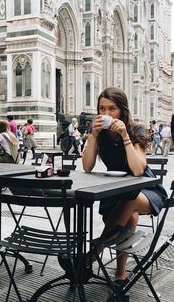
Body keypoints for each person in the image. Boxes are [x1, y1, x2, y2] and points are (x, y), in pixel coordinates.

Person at [82, 87, 167, 284]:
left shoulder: (135, 129)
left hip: (146, 189)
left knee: (132, 198)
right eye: (101, 109)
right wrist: (93, 136)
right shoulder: (100, 133)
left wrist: (125, 137)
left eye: (112, 109)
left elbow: (138, 170)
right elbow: (87, 167)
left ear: (122, 110)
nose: (106, 114)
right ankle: (120, 275)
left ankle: (95, 251)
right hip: (116, 191)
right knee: (131, 215)